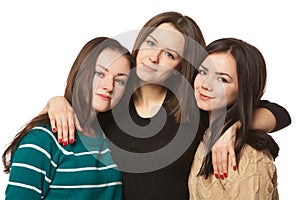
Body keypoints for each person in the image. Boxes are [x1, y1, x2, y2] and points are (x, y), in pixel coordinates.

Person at [40, 12, 291, 200]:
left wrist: (235, 126)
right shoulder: (111, 99)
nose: (153, 57)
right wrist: (56, 102)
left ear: (182, 65)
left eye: (170, 54)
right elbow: (51, 124)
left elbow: (280, 114)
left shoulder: (194, 106)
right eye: (151, 43)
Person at [2, 37, 135, 199]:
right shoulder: (42, 139)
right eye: (100, 73)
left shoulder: (110, 137)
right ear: (81, 73)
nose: (109, 86)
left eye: (120, 81)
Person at [188, 38, 286, 199]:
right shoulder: (205, 130)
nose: (206, 84)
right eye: (203, 72)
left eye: (222, 79)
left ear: (243, 89)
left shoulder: (249, 156)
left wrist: (235, 125)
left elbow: (283, 115)